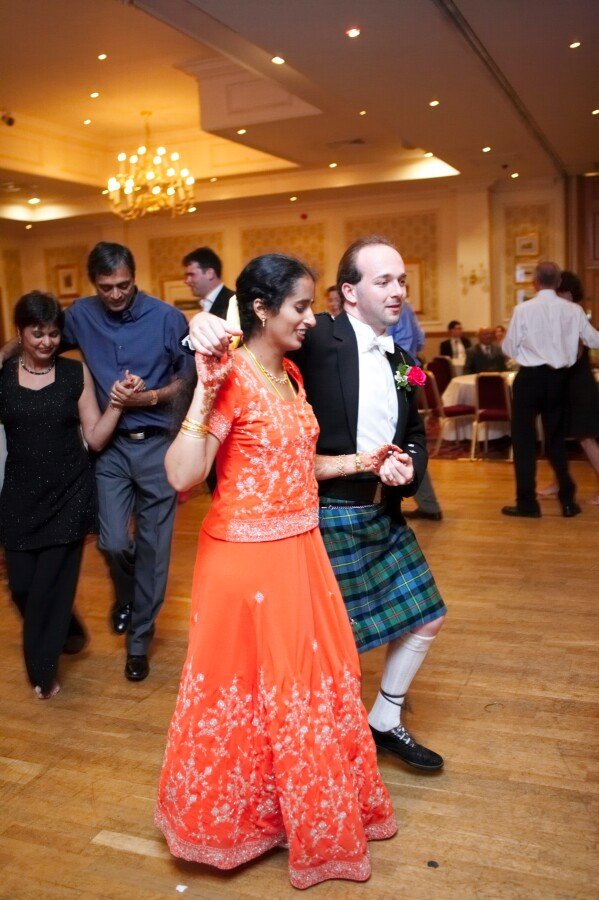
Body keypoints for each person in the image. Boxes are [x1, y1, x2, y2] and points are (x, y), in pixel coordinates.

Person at [155, 254, 396, 889]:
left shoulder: (288, 373)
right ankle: (236, 825)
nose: (311, 318)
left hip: (300, 553)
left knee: (300, 690)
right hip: (246, 565)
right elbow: (183, 475)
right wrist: (204, 388)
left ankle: (288, 814)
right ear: (261, 309)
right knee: (254, 693)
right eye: (300, 306)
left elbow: (292, 464)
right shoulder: (230, 374)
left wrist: (364, 461)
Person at [188, 236, 447, 772]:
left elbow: (415, 433)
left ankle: (384, 719)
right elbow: (255, 332)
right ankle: (321, 746)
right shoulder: (319, 335)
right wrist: (201, 325)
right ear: (349, 292)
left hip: (383, 508)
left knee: (427, 615)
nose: (398, 291)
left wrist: (409, 467)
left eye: (402, 281)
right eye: (384, 281)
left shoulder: (404, 360)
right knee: (326, 646)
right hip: (325, 511)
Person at [1, 243, 196, 681]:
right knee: (111, 541)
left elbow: (188, 378)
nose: (116, 294)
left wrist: (149, 397)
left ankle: (138, 643)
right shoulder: (80, 316)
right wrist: (4, 354)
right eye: (106, 287)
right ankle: (126, 593)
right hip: (110, 449)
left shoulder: (166, 318)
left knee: (154, 551)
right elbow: (40, 334)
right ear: (94, 284)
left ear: (134, 277)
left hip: (157, 446)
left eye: (123, 285)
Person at [0, 292, 135, 698]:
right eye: (36, 333)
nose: (46, 341)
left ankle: (42, 674)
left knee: (48, 590)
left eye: (53, 333)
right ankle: (70, 630)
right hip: (19, 496)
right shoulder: (4, 376)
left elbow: (94, 438)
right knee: (21, 587)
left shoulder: (75, 373)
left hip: (68, 495)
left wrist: (117, 404)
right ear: (20, 333)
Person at [501, 261, 599, 518]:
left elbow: (509, 348)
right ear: (558, 283)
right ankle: (567, 501)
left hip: (529, 379)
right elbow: (593, 339)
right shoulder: (574, 310)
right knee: (556, 440)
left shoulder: (522, 310)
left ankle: (527, 503)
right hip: (560, 380)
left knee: (524, 441)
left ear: (535, 283)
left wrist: (529, 351)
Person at [536, 271, 599, 505]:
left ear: (567, 293)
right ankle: (559, 482)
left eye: (557, 292)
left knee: (585, 438)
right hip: (567, 384)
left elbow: (576, 352)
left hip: (578, 386)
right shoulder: (566, 313)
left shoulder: (574, 313)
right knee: (557, 435)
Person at [389, 302, 444, 521]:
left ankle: (424, 504)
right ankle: (428, 504)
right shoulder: (408, 307)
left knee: (399, 438)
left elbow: (389, 345)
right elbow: (420, 340)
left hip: (396, 372)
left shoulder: (386, 307)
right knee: (407, 437)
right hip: (411, 371)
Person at [182, 246, 234, 317]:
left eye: (191, 274)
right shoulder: (204, 304)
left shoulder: (235, 303)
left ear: (210, 273)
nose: (187, 281)